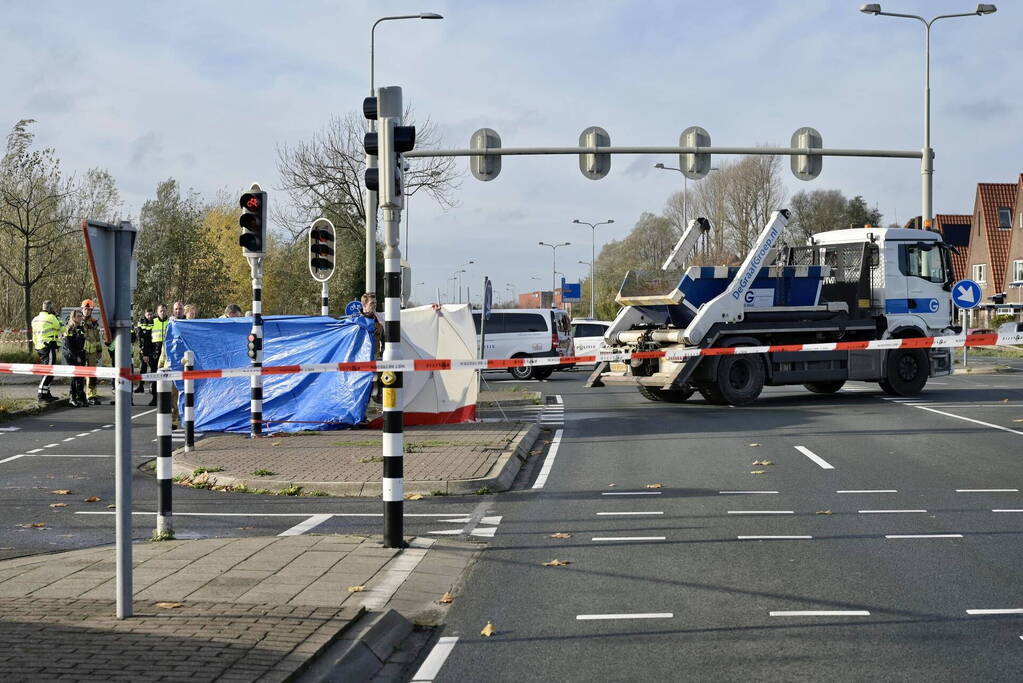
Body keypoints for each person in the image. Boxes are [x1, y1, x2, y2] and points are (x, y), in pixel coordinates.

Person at [31, 300, 61, 403]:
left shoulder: (35, 319)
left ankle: (46, 393)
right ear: (51, 308)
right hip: (48, 347)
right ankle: (41, 394)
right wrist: (57, 316)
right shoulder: (51, 317)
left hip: (40, 347)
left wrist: (37, 346)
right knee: (49, 370)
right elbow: (59, 327)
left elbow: (34, 335)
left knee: (47, 371)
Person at [62, 309, 88, 407]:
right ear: (73, 317)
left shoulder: (81, 328)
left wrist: (81, 354)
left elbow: (81, 343)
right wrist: (76, 356)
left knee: (80, 376)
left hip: (79, 353)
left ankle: (80, 397)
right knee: (75, 376)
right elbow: (69, 345)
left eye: (81, 316)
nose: (81, 318)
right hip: (71, 354)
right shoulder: (69, 329)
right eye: (78, 316)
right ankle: (72, 397)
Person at [80, 299, 103, 405]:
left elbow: (98, 338)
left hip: (92, 352)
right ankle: (80, 394)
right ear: (82, 309)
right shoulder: (79, 322)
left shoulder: (94, 323)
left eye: (89, 310)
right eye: (85, 309)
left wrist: (99, 350)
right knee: (81, 375)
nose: (87, 311)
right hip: (81, 351)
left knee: (92, 375)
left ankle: (92, 395)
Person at [148, 304, 170, 406]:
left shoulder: (170, 322)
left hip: (166, 351)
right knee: (154, 375)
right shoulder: (153, 321)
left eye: (164, 311)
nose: (163, 312)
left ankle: (166, 397)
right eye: (161, 311)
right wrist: (146, 353)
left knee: (167, 375)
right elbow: (147, 339)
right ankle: (154, 397)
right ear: (157, 312)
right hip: (155, 351)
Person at [134, 309, 154, 393]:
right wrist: (143, 351)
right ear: (145, 314)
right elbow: (140, 336)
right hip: (144, 347)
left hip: (153, 347)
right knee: (143, 368)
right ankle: (141, 385)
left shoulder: (155, 321)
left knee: (153, 369)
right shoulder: (141, 322)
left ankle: (152, 386)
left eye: (151, 314)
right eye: (148, 315)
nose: (150, 316)